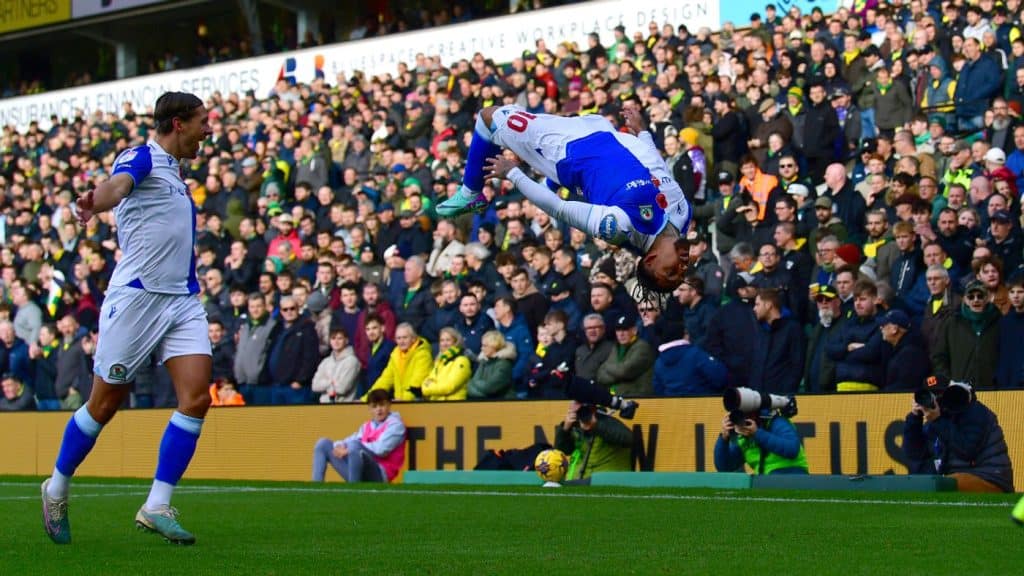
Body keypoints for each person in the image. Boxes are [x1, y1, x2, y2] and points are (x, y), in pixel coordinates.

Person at [42, 92, 214, 545]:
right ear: (178, 124)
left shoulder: (176, 175)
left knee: (196, 398)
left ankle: (156, 504)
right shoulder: (142, 156)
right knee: (104, 405)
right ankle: (57, 484)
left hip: (181, 300)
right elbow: (117, 187)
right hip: (136, 299)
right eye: (202, 122)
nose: (208, 130)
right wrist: (92, 203)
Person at [436, 102, 692, 296]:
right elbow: (658, 169)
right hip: (606, 132)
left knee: (489, 117)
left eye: (670, 272)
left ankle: (471, 192)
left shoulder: (622, 226)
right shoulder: (681, 214)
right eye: (682, 273)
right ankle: (547, 176)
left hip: (567, 150)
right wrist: (644, 133)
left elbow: (559, 208)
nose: (681, 267)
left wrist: (512, 173)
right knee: (514, 110)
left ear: (650, 260)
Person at [903, 381, 1014, 493]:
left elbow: (967, 451)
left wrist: (937, 421)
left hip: (991, 478)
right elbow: (915, 455)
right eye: (931, 396)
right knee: (921, 483)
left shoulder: (975, 411)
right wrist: (915, 418)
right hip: (955, 478)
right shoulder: (936, 420)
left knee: (947, 484)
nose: (935, 401)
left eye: (939, 395)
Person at [311, 389, 407, 483]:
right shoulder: (367, 426)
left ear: (389, 405)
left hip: (380, 474)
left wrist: (351, 448)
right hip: (358, 470)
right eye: (374, 406)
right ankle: (316, 487)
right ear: (369, 409)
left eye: (382, 405)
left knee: (354, 447)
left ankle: (353, 491)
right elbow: (350, 440)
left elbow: (381, 450)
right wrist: (339, 446)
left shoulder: (396, 425)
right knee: (323, 444)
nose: (379, 409)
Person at [714, 389, 809, 475]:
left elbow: (792, 449)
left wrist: (757, 433)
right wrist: (723, 439)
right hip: (765, 483)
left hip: (793, 478)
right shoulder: (744, 437)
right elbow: (724, 467)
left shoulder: (776, 422)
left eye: (745, 414)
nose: (741, 419)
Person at [553, 401, 633, 482]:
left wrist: (595, 425)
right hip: (580, 481)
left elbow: (628, 439)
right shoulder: (576, 426)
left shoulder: (608, 422)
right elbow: (562, 451)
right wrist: (565, 429)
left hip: (607, 482)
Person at [419, 327, 472, 401]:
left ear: (455, 342)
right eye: (442, 340)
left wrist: (428, 389)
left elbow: (449, 386)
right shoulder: (440, 360)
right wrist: (428, 386)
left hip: (454, 405)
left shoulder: (461, 360)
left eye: (448, 340)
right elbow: (428, 381)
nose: (444, 343)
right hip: (438, 404)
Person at [311, 328, 360, 403]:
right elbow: (315, 385)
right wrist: (331, 382)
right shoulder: (325, 361)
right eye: (333, 338)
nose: (336, 342)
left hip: (344, 407)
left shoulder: (352, 361)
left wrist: (325, 382)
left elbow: (342, 388)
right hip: (324, 406)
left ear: (346, 340)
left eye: (339, 338)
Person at [467, 330, 516, 399]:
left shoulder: (504, 365)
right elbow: (470, 385)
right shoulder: (484, 361)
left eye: (485, 346)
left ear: (494, 346)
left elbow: (489, 388)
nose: (482, 348)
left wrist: (476, 386)